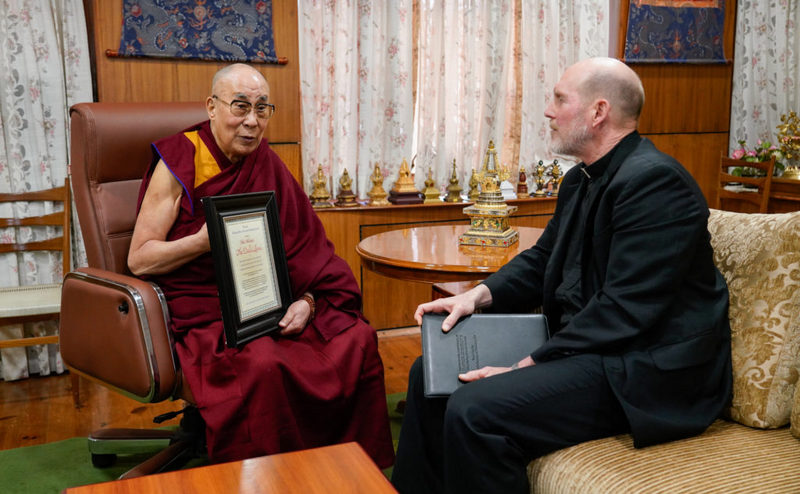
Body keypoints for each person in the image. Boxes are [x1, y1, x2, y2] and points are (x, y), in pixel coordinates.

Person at [391, 57, 732, 494]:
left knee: (475, 409)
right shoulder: (579, 180)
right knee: (430, 373)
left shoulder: (656, 183)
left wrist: (526, 365)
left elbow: (625, 310)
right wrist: (474, 297)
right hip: (592, 348)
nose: (548, 112)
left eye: (558, 99)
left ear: (598, 112)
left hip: (647, 370)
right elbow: (542, 260)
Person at [127, 63, 395, 467]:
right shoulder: (182, 158)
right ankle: (266, 475)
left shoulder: (265, 161)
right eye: (239, 107)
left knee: (354, 338)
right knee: (263, 364)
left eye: (262, 109)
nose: (251, 122)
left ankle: (342, 469)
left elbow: (305, 248)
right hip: (206, 310)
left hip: (269, 300)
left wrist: (307, 300)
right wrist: (204, 240)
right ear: (212, 107)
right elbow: (140, 258)